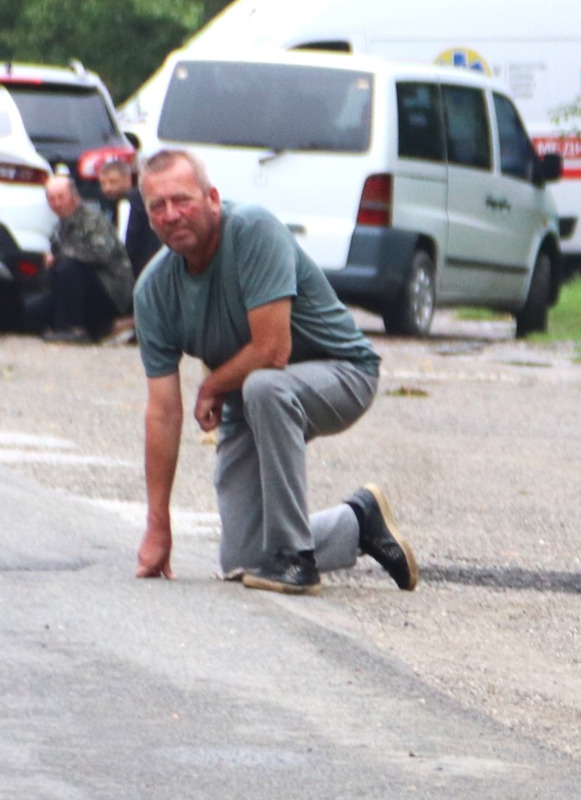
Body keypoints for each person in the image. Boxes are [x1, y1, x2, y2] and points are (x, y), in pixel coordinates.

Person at [132, 149, 415, 595]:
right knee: (244, 560)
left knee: (265, 386)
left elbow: (272, 350)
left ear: (212, 198)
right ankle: (358, 523)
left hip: (343, 374)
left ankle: (295, 558)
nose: (171, 214)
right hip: (250, 399)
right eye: (157, 206)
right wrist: (157, 525)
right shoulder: (153, 292)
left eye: (182, 199)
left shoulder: (252, 230)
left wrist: (211, 385)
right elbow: (163, 413)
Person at [23, 174, 131, 342]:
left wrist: (60, 256)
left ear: (75, 196)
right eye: (52, 199)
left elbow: (102, 254)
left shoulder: (93, 219)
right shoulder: (60, 226)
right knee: (33, 307)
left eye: (61, 197)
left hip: (109, 288)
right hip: (76, 292)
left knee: (67, 267)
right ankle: (106, 328)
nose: (57, 203)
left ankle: (73, 329)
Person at [96, 154, 164, 279]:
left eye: (113, 182)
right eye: (103, 183)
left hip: (137, 271)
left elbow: (123, 243)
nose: (107, 188)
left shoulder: (126, 203)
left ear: (127, 179)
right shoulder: (142, 198)